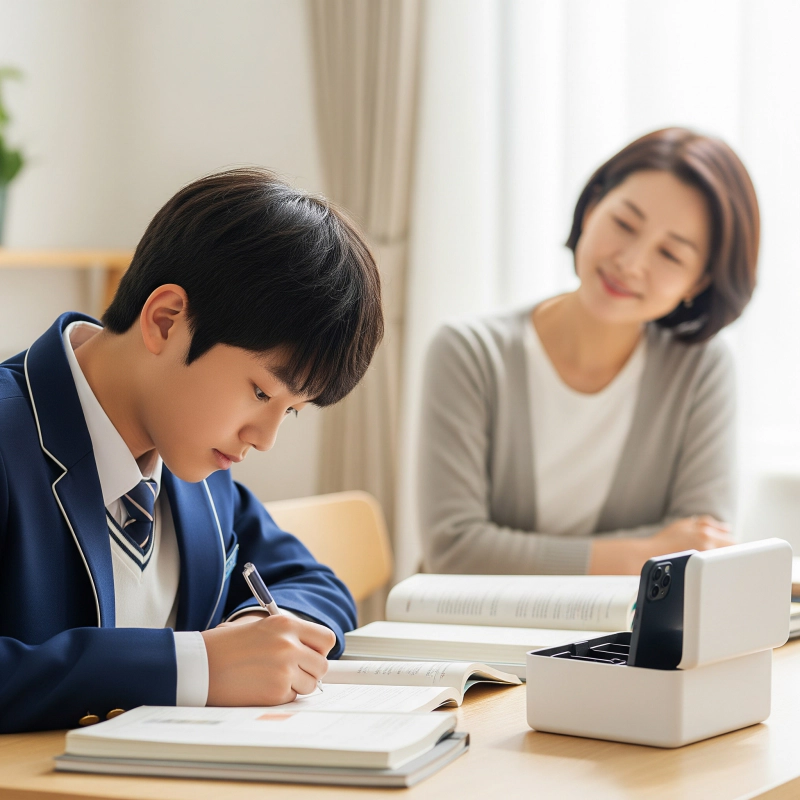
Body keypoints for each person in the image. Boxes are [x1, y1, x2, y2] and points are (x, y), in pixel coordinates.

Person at [0, 168, 383, 733]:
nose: (265, 438)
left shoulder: (194, 463)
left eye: (291, 410)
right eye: (259, 392)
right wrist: (195, 666)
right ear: (165, 320)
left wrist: (261, 632)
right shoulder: (13, 435)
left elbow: (312, 581)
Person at [419, 128, 759, 577]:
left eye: (670, 255)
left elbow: (700, 551)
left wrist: (515, 553)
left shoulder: (700, 369)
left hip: (622, 640)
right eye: (624, 224)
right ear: (594, 206)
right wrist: (647, 551)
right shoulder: (469, 352)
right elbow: (454, 550)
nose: (631, 262)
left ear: (698, 283)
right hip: (468, 636)